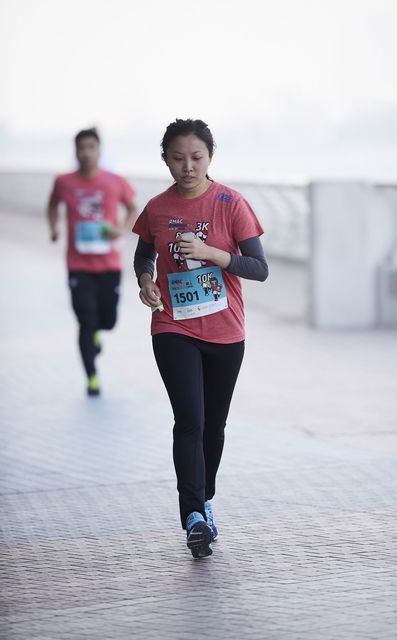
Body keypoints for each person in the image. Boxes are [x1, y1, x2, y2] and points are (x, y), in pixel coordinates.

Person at [133, 118, 268, 558]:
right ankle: (193, 515)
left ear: (210, 157)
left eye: (196, 157)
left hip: (226, 331)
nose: (187, 167)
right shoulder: (157, 208)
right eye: (178, 158)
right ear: (165, 160)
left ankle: (205, 497)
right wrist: (145, 280)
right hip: (173, 326)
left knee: (213, 425)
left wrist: (213, 254)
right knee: (189, 419)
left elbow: (259, 268)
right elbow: (143, 254)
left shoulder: (231, 203)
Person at [47, 127, 137, 396]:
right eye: (81, 148)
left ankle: (99, 331)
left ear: (99, 151)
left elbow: (133, 208)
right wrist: (54, 228)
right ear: (75, 152)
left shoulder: (115, 181)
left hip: (109, 265)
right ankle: (92, 377)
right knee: (86, 321)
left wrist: (121, 229)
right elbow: (52, 204)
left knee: (107, 322)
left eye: (91, 148)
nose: (86, 153)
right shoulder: (64, 181)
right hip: (78, 266)